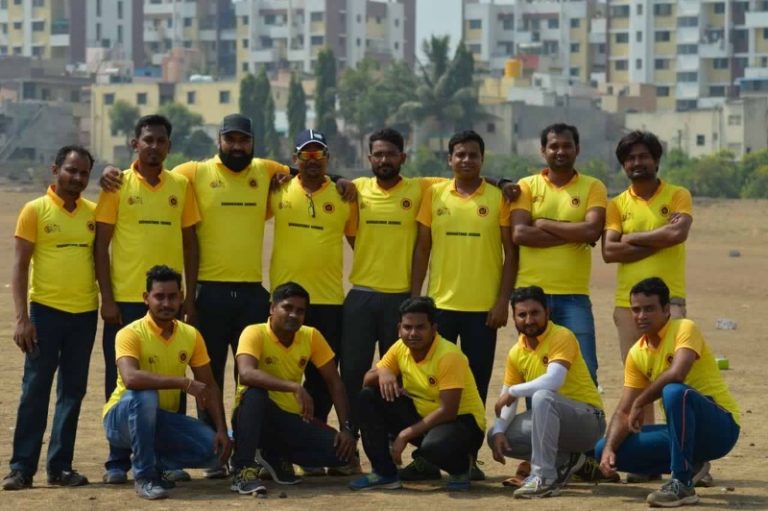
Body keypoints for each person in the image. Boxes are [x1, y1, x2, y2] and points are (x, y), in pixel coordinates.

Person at [95, 114, 201, 483]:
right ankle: (117, 461)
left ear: (169, 146)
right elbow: (101, 245)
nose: (154, 146)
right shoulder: (116, 184)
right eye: (148, 140)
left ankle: (167, 459)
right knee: (121, 380)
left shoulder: (180, 186)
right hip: (126, 301)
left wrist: (189, 296)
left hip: (169, 300)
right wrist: (107, 298)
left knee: (173, 374)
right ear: (134, 144)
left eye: (160, 141)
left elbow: (190, 243)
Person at [596, 278, 740, 508]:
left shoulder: (684, 328)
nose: (641, 316)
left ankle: (682, 484)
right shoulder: (637, 353)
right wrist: (609, 449)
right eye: (636, 309)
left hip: (720, 427)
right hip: (681, 433)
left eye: (649, 309)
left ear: (666, 310)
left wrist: (641, 401)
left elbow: (677, 373)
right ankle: (691, 465)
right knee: (604, 449)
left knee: (675, 392)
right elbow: (624, 411)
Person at [3, 146, 98, 491]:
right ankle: (21, 468)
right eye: (71, 170)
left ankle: (60, 467)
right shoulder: (35, 210)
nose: (77, 178)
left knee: (72, 392)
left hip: (85, 313)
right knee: (35, 390)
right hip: (44, 313)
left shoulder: (93, 213)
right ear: (55, 169)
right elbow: (19, 267)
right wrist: (22, 319)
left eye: (83, 173)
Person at [102, 266, 231, 500]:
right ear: (146, 298)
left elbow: (209, 385)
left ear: (181, 297)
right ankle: (145, 478)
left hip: (162, 421)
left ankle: (157, 462)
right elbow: (131, 378)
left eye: (172, 297)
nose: (166, 303)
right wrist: (183, 382)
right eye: (159, 297)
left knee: (215, 452)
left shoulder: (191, 335)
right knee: (145, 395)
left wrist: (221, 429)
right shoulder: (129, 333)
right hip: (120, 420)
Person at [411, 129, 515, 404]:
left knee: (476, 384)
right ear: (450, 159)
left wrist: (502, 301)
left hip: (484, 310)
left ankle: (472, 433)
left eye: (473, 155)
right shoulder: (434, 194)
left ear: (482, 159)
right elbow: (422, 249)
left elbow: (511, 253)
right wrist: (415, 298)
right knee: (435, 381)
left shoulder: (498, 197)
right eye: (460, 155)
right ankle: (437, 433)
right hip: (440, 306)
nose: (467, 160)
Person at [268, 129, 357, 434]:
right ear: (295, 159)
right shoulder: (277, 189)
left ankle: (312, 437)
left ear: (327, 158)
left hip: (328, 301)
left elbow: (358, 243)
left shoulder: (344, 196)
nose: (313, 160)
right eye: (306, 154)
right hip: (285, 303)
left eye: (318, 154)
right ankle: (277, 439)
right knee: (280, 374)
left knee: (322, 380)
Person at [229, 282, 357, 493]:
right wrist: (293, 387)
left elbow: (335, 382)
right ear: (272, 308)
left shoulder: (311, 335)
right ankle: (243, 469)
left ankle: (275, 455)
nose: (294, 315)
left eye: (300, 311)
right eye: (287, 308)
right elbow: (246, 374)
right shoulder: (254, 332)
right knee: (255, 394)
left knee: (342, 454)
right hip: (253, 415)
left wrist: (347, 428)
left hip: (290, 418)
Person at [350, 297, 486, 491]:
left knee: (434, 446)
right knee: (368, 396)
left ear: (434, 328)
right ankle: (383, 473)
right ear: (399, 328)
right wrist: (384, 372)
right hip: (426, 419)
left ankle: (462, 466)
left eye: (420, 327)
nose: (413, 333)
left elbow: (448, 411)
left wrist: (405, 435)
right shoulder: (400, 347)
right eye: (407, 327)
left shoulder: (449, 356)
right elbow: (366, 381)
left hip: (462, 423)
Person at [510, 123, 606, 384]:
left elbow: (592, 230)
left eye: (567, 146)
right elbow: (520, 234)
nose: (560, 151)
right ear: (543, 151)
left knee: (585, 369)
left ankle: (586, 413)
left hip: (574, 296)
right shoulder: (527, 186)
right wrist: (573, 234)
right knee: (534, 371)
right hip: (531, 297)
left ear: (577, 149)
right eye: (554, 146)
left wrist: (543, 223)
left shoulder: (593, 186)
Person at [488, 286, 605, 498]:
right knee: (496, 435)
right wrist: (498, 431)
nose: (529, 320)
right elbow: (508, 402)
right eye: (522, 315)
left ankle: (544, 478)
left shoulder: (561, 335)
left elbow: (553, 380)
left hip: (588, 421)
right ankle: (566, 460)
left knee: (543, 397)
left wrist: (514, 390)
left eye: (535, 313)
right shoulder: (516, 352)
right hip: (554, 421)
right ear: (514, 318)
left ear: (547, 313)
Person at [602, 131, 693, 365]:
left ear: (656, 160)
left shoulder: (678, 195)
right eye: (630, 158)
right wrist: (661, 240)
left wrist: (630, 237)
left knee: (671, 374)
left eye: (643, 156)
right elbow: (609, 251)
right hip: (628, 305)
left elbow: (678, 233)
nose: (637, 163)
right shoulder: (616, 205)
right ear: (624, 165)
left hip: (669, 301)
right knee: (635, 375)